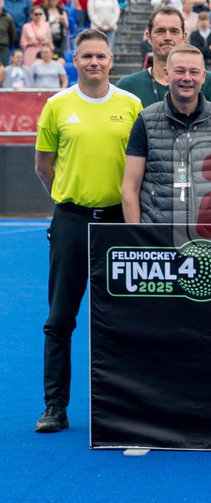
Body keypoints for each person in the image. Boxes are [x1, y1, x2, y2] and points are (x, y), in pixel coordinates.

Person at [33, 29, 142, 433]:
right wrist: (70, 203)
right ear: (74, 60)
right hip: (72, 223)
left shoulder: (130, 104)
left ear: (111, 60)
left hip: (117, 223)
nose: (94, 62)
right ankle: (55, 407)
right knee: (60, 316)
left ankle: (124, 407)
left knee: (122, 317)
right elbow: (44, 167)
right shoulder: (57, 105)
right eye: (86, 56)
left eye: (100, 55)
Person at [122, 43, 211, 225]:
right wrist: (138, 236)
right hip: (157, 236)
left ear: (203, 77)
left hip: (209, 234)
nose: (187, 78)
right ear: (166, 74)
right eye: (180, 71)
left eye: (194, 72)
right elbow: (130, 188)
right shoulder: (145, 121)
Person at [118, 8, 211, 108]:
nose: (167, 37)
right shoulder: (127, 86)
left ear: (184, 36)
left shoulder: (207, 82)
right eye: (160, 31)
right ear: (148, 37)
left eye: (174, 31)